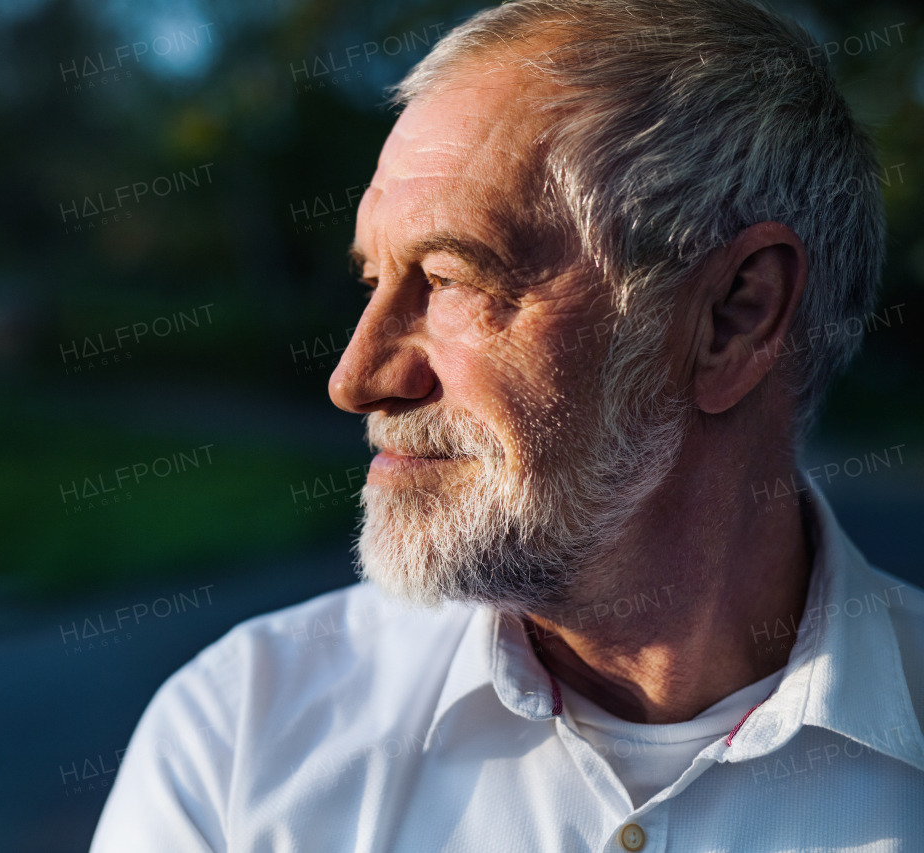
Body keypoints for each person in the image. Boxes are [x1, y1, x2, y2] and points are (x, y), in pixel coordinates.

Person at [91, 1, 924, 849]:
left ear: (733, 318)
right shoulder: (240, 735)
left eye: (450, 279)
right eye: (372, 279)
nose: (357, 379)